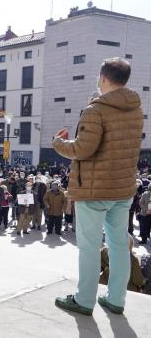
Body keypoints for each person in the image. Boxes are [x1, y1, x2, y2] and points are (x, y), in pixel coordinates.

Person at [53, 58, 143, 315]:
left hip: (94, 190)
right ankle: (116, 299)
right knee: (118, 244)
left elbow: (83, 149)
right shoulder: (135, 108)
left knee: (89, 246)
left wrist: (59, 143)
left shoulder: (96, 110)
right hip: (122, 188)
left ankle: (84, 300)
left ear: (103, 78)